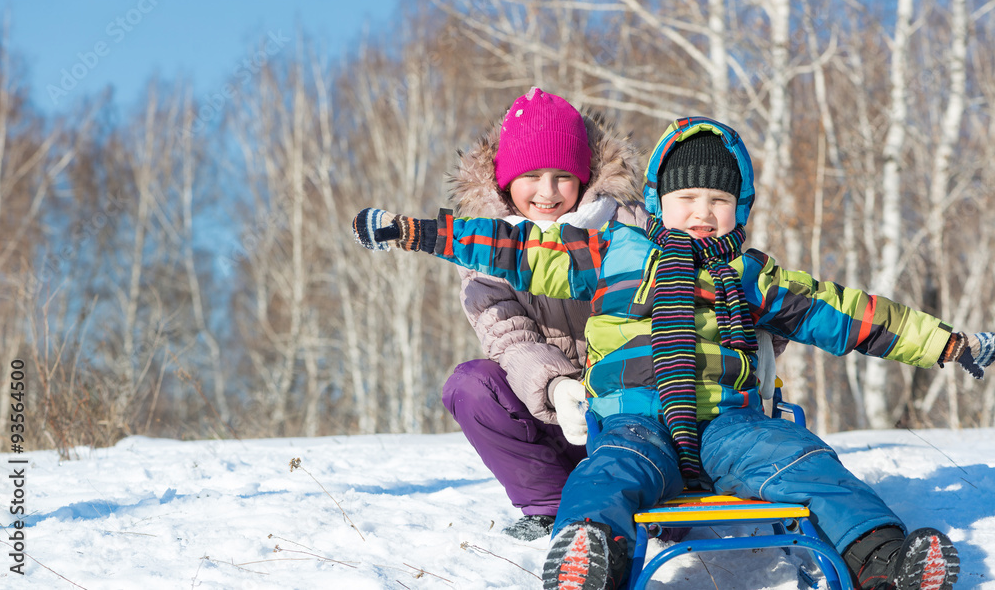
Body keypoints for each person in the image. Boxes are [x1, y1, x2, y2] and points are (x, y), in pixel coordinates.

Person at [353, 116, 992, 590]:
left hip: (733, 424)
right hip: (635, 417)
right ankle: (588, 557)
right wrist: (412, 231)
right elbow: (513, 249)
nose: (702, 214)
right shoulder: (610, 255)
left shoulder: (751, 274)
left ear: (738, 208)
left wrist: (948, 344)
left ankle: (885, 560)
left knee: (802, 461)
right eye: (687, 200)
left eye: (718, 202)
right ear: (660, 201)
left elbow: (847, 314)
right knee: (607, 475)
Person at [442, 86, 649, 540]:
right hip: (554, 413)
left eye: (562, 175)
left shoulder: (631, 224)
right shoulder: (481, 246)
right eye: (532, 175)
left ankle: (656, 495)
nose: (548, 192)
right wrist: (555, 385)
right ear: (504, 179)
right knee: (472, 386)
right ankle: (549, 504)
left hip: (633, 408)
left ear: (586, 174)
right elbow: (507, 333)